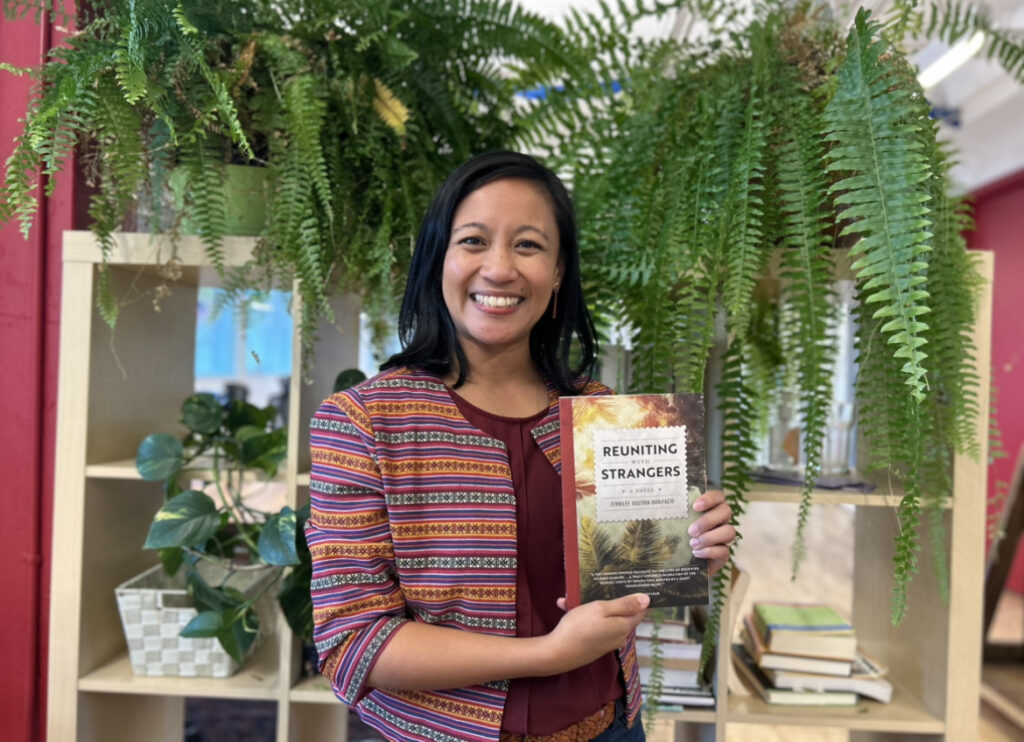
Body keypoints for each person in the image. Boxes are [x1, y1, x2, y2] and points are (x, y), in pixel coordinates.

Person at [306, 151, 735, 742]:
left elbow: (624, 587)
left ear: (558, 271)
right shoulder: (363, 422)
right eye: (474, 241)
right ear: (439, 259)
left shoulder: (605, 414)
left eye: (529, 245)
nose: (500, 268)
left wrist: (684, 556)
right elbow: (354, 644)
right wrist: (545, 655)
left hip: (613, 726)